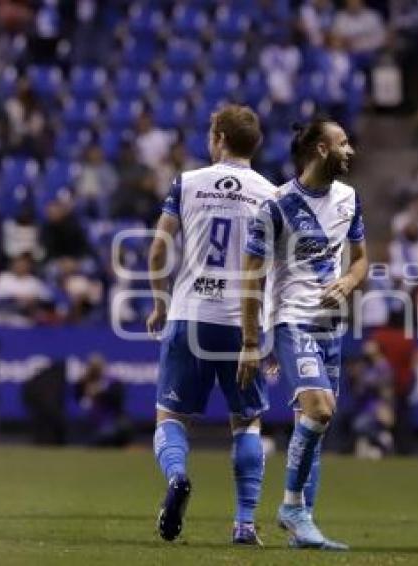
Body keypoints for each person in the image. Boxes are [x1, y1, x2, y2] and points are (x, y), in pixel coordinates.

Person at [146, 104, 275, 546]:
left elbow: (158, 251)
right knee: (247, 422)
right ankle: (243, 523)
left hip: (190, 313)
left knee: (171, 415)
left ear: (218, 137)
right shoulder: (272, 194)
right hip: (243, 322)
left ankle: (179, 476)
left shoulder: (188, 183)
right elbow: (275, 269)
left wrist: (160, 305)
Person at [239, 118, 368, 550]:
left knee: (313, 425)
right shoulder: (276, 206)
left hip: (332, 327)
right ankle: (292, 509)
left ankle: (303, 526)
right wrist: (252, 342)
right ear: (320, 149)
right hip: (293, 322)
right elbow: (251, 276)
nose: (350, 150)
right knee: (321, 409)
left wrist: (348, 283)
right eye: (343, 143)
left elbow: (361, 261)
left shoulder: (350, 199)